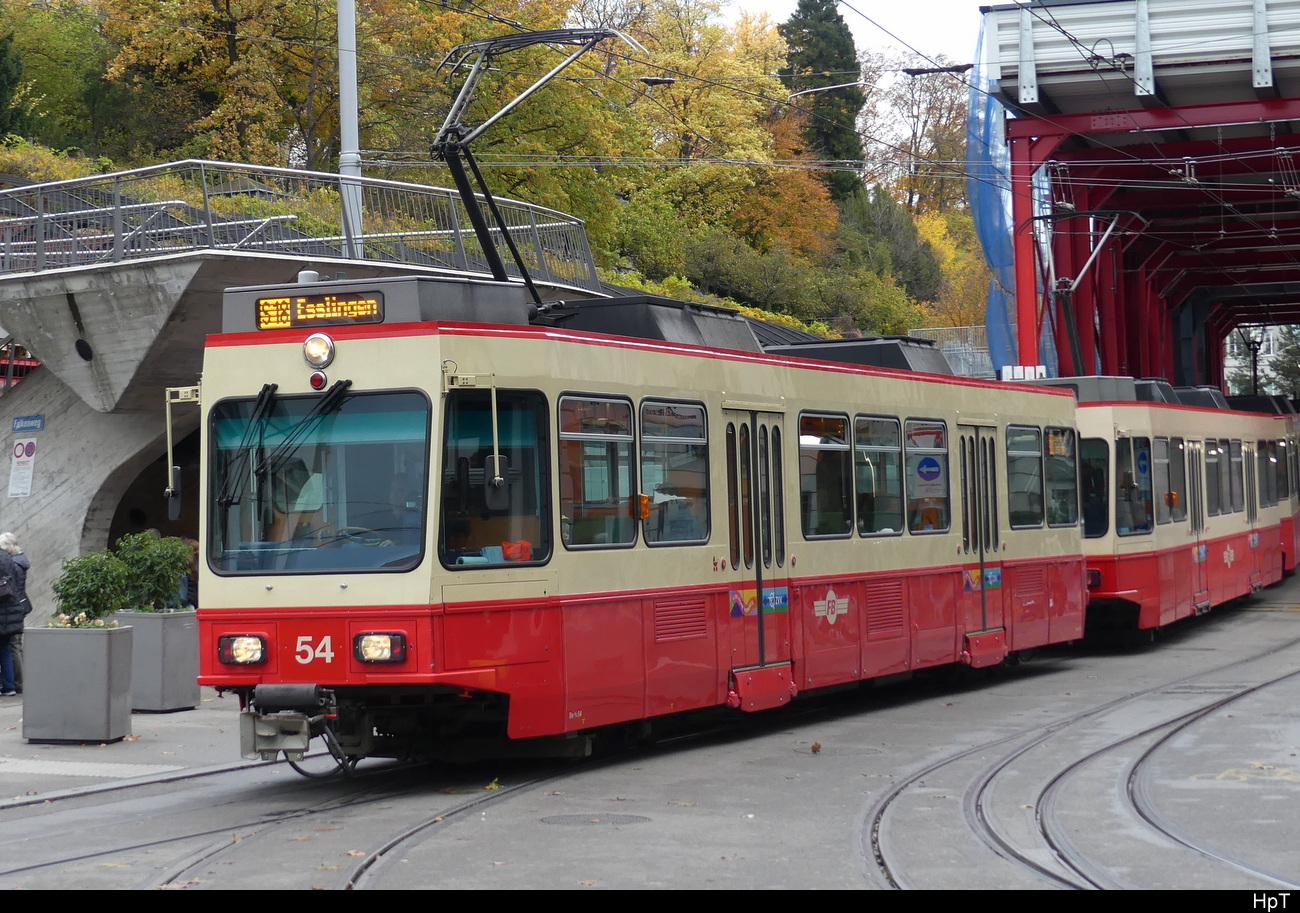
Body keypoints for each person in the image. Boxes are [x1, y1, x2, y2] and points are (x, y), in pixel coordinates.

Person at [0, 533, 29, 697]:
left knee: (11, 648)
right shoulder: (13, 561)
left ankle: (13, 684)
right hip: (13, 609)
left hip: (4, 611)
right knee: (7, 648)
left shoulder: (7, 561)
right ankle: (10, 685)